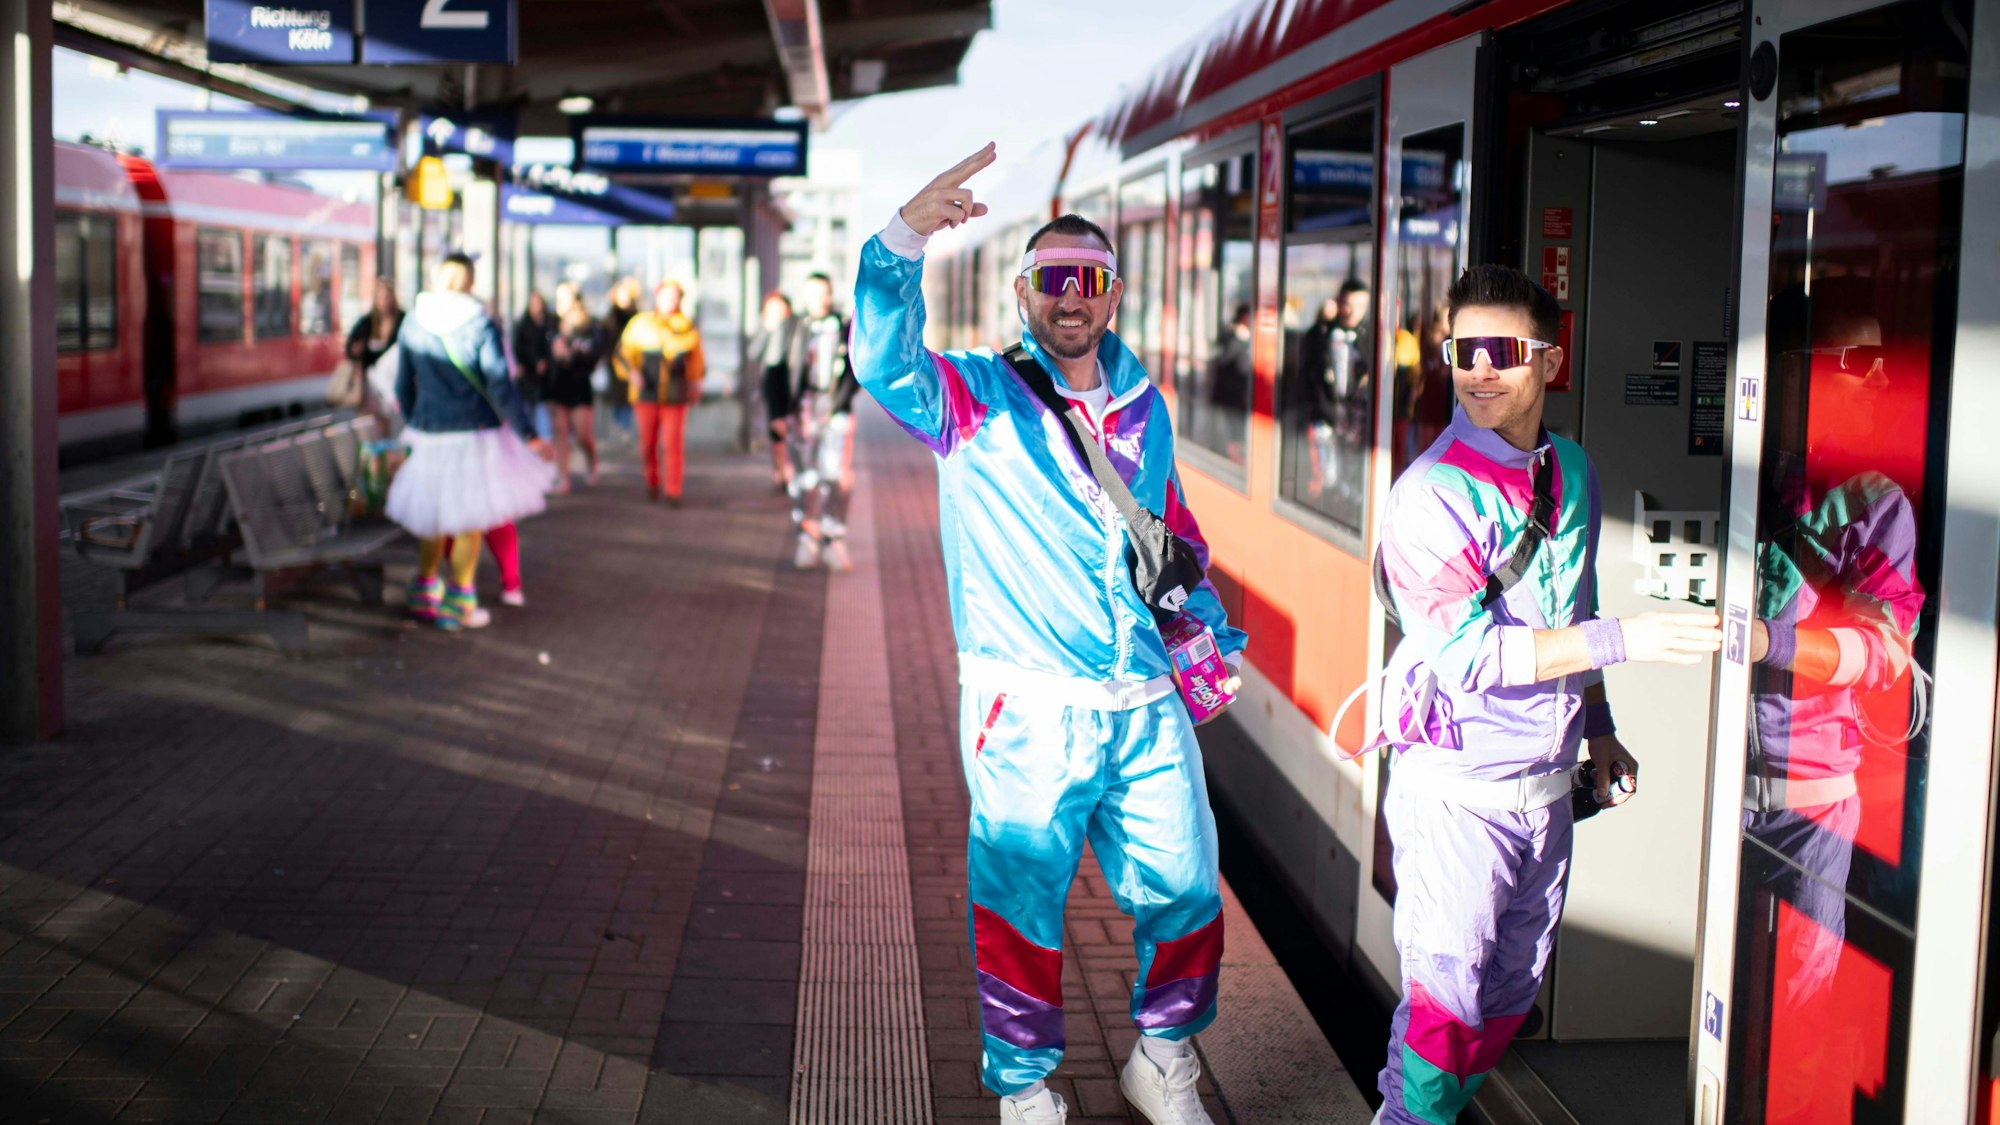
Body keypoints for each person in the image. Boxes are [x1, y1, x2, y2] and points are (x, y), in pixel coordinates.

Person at [853, 144, 1248, 1125]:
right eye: (1051, 280)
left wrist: (1200, 623)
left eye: (1090, 280)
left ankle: (1160, 1058)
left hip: (1146, 706)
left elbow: (1168, 526)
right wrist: (902, 237)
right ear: (1024, 294)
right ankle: (1023, 1089)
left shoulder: (1143, 405)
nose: (1070, 297)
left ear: (1113, 297)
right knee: (1021, 910)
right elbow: (879, 358)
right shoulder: (970, 398)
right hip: (1024, 709)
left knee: (1189, 894)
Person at [1369, 264, 1722, 1125]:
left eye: (1503, 350)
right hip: (1457, 793)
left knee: (1508, 998)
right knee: (1441, 1011)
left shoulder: (1572, 470)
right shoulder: (1428, 496)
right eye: (1463, 350)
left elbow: (1575, 605)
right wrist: (1626, 641)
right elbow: (1468, 657)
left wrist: (1600, 725)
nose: (1480, 369)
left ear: (1551, 362)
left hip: (1547, 791)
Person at [386, 252, 552, 631]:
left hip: (427, 435)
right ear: (471, 283)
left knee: (431, 517)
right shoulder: (478, 322)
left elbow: (401, 387)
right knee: (468, 520)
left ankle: (426, 592)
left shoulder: (414, 321)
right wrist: (529, 434)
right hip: (472, 434)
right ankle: (459, 601)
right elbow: (500, 383)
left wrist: (417, 423)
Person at [786, 272, 861, 571]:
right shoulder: (794, 327)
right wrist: (782, 412)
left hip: (836, 408)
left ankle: (833, 538)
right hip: (801, 410)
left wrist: (842, 401)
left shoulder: (844, 327)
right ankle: (806, 538)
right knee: (804, 477)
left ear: (831, 295)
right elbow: (777, 370)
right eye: (813, 293)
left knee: (837, 476)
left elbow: (857, 368)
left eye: (823, 293)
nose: (819, 299)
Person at [619, 280, 705, 505]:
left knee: (673, 443)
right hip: (645, 394)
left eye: (674, 296)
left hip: (675, 396)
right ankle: (652, 480)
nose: (669, 300)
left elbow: (697, 363)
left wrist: (695, 385)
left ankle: (673, 490)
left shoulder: (687, 327)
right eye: (666, 295)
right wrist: (633, 373)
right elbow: (622, 354)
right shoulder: (640, 324)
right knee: (647, 444)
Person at [546, 281, 603, 493]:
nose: (559, 302)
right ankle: (563, 477)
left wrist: (571, 356)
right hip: (556, 385)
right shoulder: (552, 324)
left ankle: (591, 458)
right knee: (559, 431)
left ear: (575, 300)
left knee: (582, 436)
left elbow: (595, 356)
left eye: (564, 297)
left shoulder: (589, 326)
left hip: (579, 386)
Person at [748, 291, 797, 490]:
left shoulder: (795, 327)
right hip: (772, 384)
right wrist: (767, 329)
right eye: (772, 308)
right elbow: (753, 353)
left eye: (780, 307)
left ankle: (788, 469)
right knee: (775, 430)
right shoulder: (765, 328)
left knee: (789, 429)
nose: (776, 312)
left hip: (790, 384)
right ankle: (779, 469)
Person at [343, 277, 404, 423]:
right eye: (380, 298)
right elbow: (350, 346)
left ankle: (388, 444)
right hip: (369, 384)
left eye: (387, 297)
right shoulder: (366, 322)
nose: (384, 301)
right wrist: (355, 350)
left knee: (391, 421)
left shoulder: (402, 320)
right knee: (371, 422)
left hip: (394, 381)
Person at [512, 291, 556, 439]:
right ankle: (533, 437)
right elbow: (519, 347)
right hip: (528, 376)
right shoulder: (523, 325)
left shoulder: (548, 324)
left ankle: (543, 437)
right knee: (531, 407)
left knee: (543, 408)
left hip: (545, 377)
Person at [603, 277, 642, 441]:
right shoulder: (611, 317)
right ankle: (619, 425)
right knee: (617, 395)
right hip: (614, 361)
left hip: (632, 362)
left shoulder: (636, 317)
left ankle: (626, 427)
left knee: (629, 394)